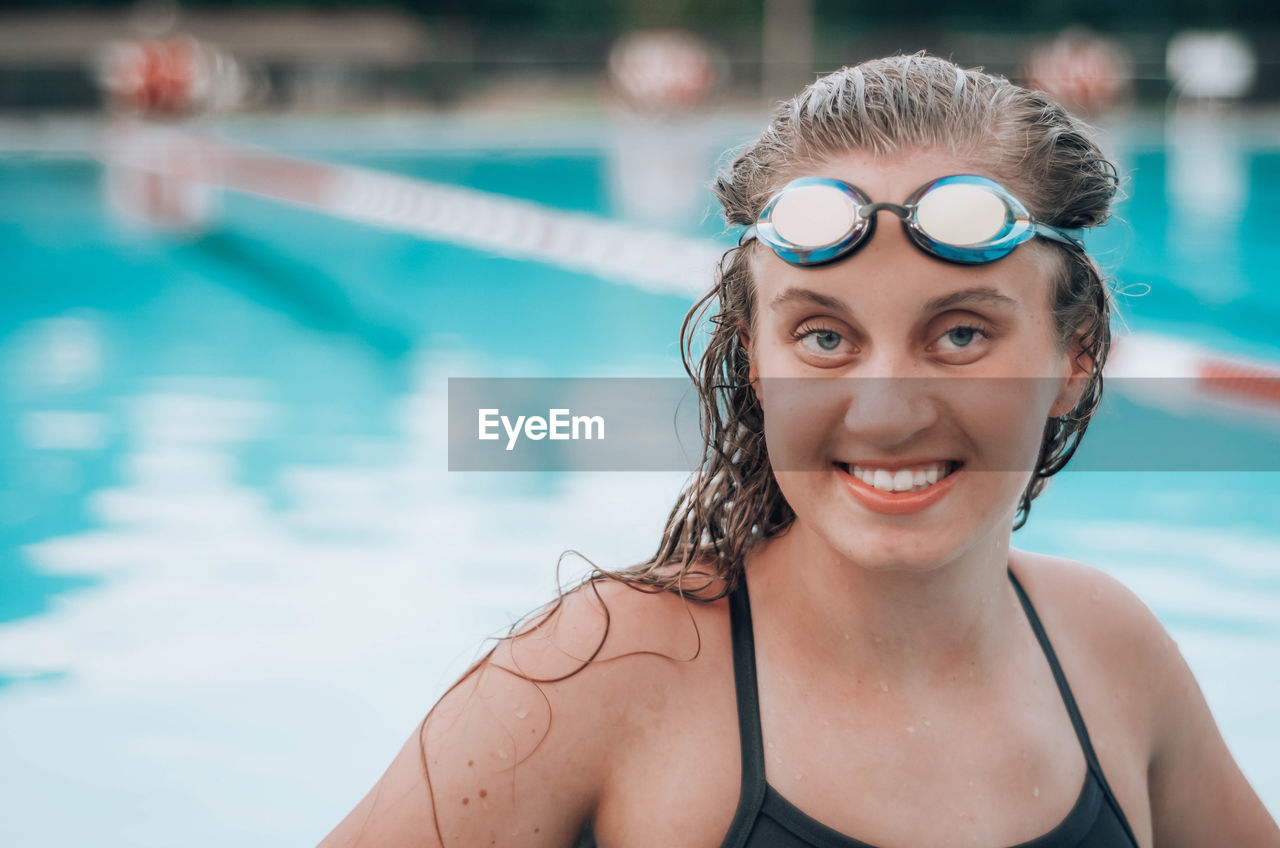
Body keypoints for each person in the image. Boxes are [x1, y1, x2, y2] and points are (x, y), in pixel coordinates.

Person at [318, 53, 1279, 848]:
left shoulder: (1110, 649)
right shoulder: (609, 674)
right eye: (824, 337)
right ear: (753, 362)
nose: (888, 412)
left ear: (1075, 359)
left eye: (960, 335)